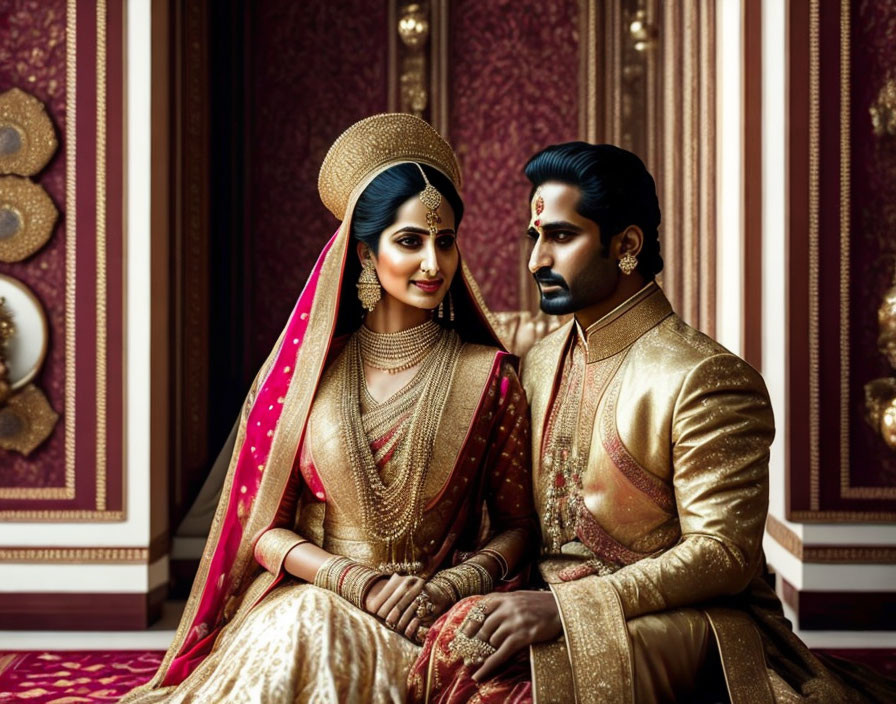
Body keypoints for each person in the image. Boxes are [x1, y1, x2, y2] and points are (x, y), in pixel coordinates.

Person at [409, 142, 896, 703]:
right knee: (452, 644)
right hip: (545, 600)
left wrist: (566, 609)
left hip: (688, 619)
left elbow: (723, 555)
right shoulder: (540, 361)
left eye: (561, 237)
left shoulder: (705, 376)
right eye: (534, 238)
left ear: (627, 245)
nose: (536, 260)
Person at [122, 114, 535, 704]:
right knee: (307, 625)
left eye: (445, 242)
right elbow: (262, 529)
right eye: (410, 241)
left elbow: (519, 527)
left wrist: (444, 588)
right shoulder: (306, 377)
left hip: (431, 618)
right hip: (319, 599)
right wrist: (350, 580)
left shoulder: (490, 376)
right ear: (366, 253)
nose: (433, 264)